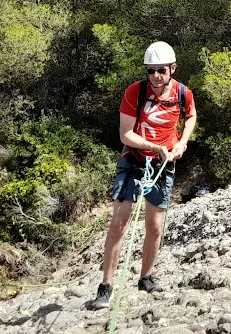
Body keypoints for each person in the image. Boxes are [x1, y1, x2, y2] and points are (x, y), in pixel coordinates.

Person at [88, 41, 198, 310]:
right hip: (135, 160)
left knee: (155, 226)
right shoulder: (135, 92)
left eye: (161, 70)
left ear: (172, 68)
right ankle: (106, 286)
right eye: (151, 71)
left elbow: (192, 117)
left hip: (164, 164)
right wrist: (154, 147)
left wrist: (182, 141)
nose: (156, 76)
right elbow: (125, 134)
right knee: (119, 224)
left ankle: (146, 277)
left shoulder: (183, 94)